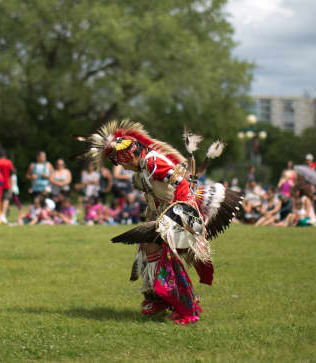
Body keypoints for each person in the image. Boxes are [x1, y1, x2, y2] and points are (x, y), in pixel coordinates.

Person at [73, 120, 240, 325]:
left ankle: (187, 307)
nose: (122, 166)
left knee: (158, 255)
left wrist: (181, 214)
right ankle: (158, 299)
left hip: (180, 211)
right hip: (164, 212)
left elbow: (182, 185)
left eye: (121, 161)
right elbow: (156, 195)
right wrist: (152, 215)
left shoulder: (153, 162)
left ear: (129, 155)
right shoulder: (143, 167)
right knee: (146, 251)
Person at [0, 150, 14, 223]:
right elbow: (11, 174)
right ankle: (3, 214)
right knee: (6, 199)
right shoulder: (9, 162)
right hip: (6, 183)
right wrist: (12, 186)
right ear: (5, 155)